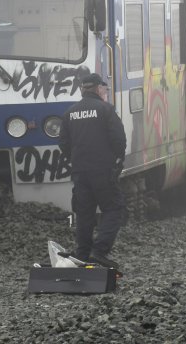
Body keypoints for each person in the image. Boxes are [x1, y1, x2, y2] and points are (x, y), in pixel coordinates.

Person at [58, 73, 127, 269]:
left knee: (84, 212)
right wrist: (117, 159)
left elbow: (63, 142)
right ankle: (99, 251)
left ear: (82, 89)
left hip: (80, 171)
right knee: (114, 208)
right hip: (103, 169)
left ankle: (82, 254)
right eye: (103, 88)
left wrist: (76, 158)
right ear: (98, 89)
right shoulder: (106, 110)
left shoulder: (70, 113)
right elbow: (119, 140)